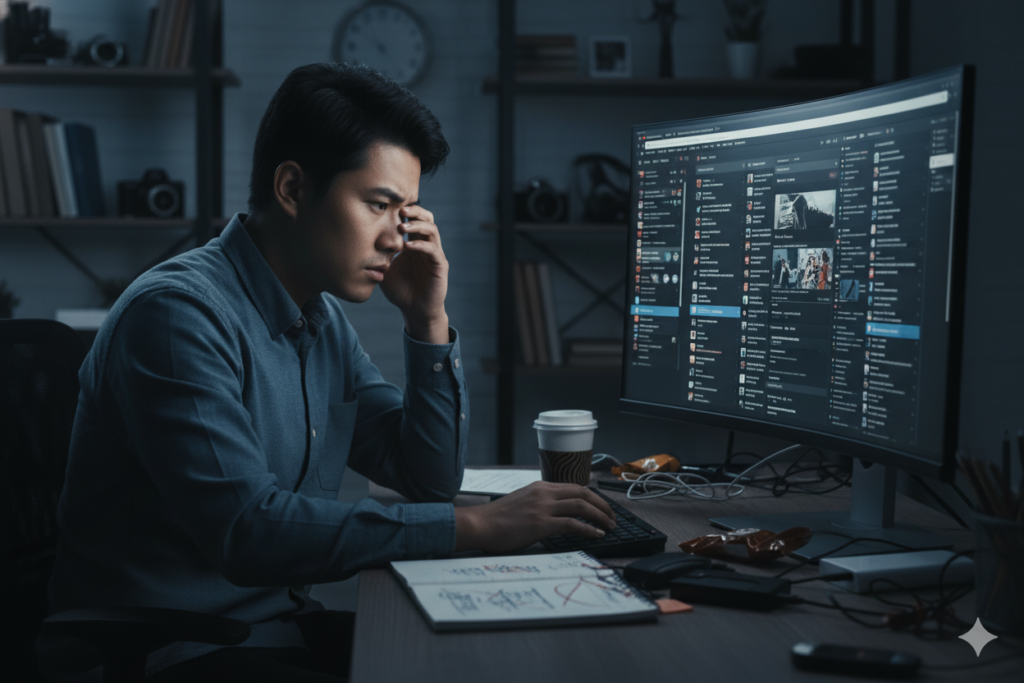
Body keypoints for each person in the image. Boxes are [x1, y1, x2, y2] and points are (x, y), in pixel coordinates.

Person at [41, 64, 615, 682]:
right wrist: (476, 525)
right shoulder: (177, 316)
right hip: (172, 650)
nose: (397, 239)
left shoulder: (319, 319)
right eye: (379, 205)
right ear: (292, 188)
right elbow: (248, 531)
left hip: (272, 628)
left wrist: (427, 320)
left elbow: (427, 477)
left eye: (407, 212)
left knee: (485, 663)